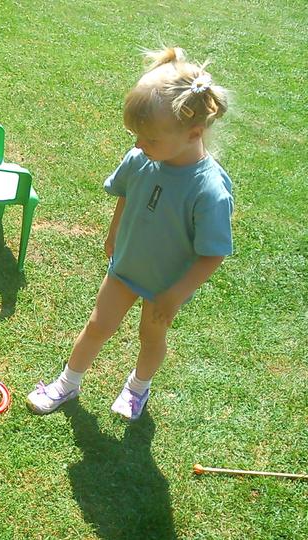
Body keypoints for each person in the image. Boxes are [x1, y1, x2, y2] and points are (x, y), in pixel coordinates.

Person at [27, 46, 233, 420]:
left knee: (150, 338)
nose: (138, 144)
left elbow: (213, 253)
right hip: (125, 267)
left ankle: (138, 388)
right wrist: (114, 232)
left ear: (193, 133)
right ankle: (68, 383)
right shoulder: (141, 159)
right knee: (97, 325)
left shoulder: (209, 190)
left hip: (165, 284)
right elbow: (126, 193)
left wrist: (175, 294)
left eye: (150, 138)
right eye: (136, 135)